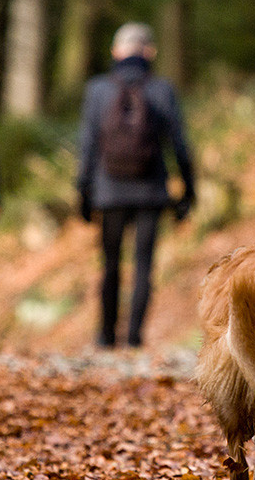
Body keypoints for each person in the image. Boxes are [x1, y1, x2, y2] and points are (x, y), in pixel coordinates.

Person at [77, 22, 196, 348]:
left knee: (110, 264)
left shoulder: (97, 90)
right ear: (150, 52)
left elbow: (87, 145)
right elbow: (180, 145)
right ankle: (133, 338)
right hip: (150, 191)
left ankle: (105, 336)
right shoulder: (162, 90)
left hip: (109, 190)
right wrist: (188, 189)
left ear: (116, 51)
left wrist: (83, 191)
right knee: (143, 264)